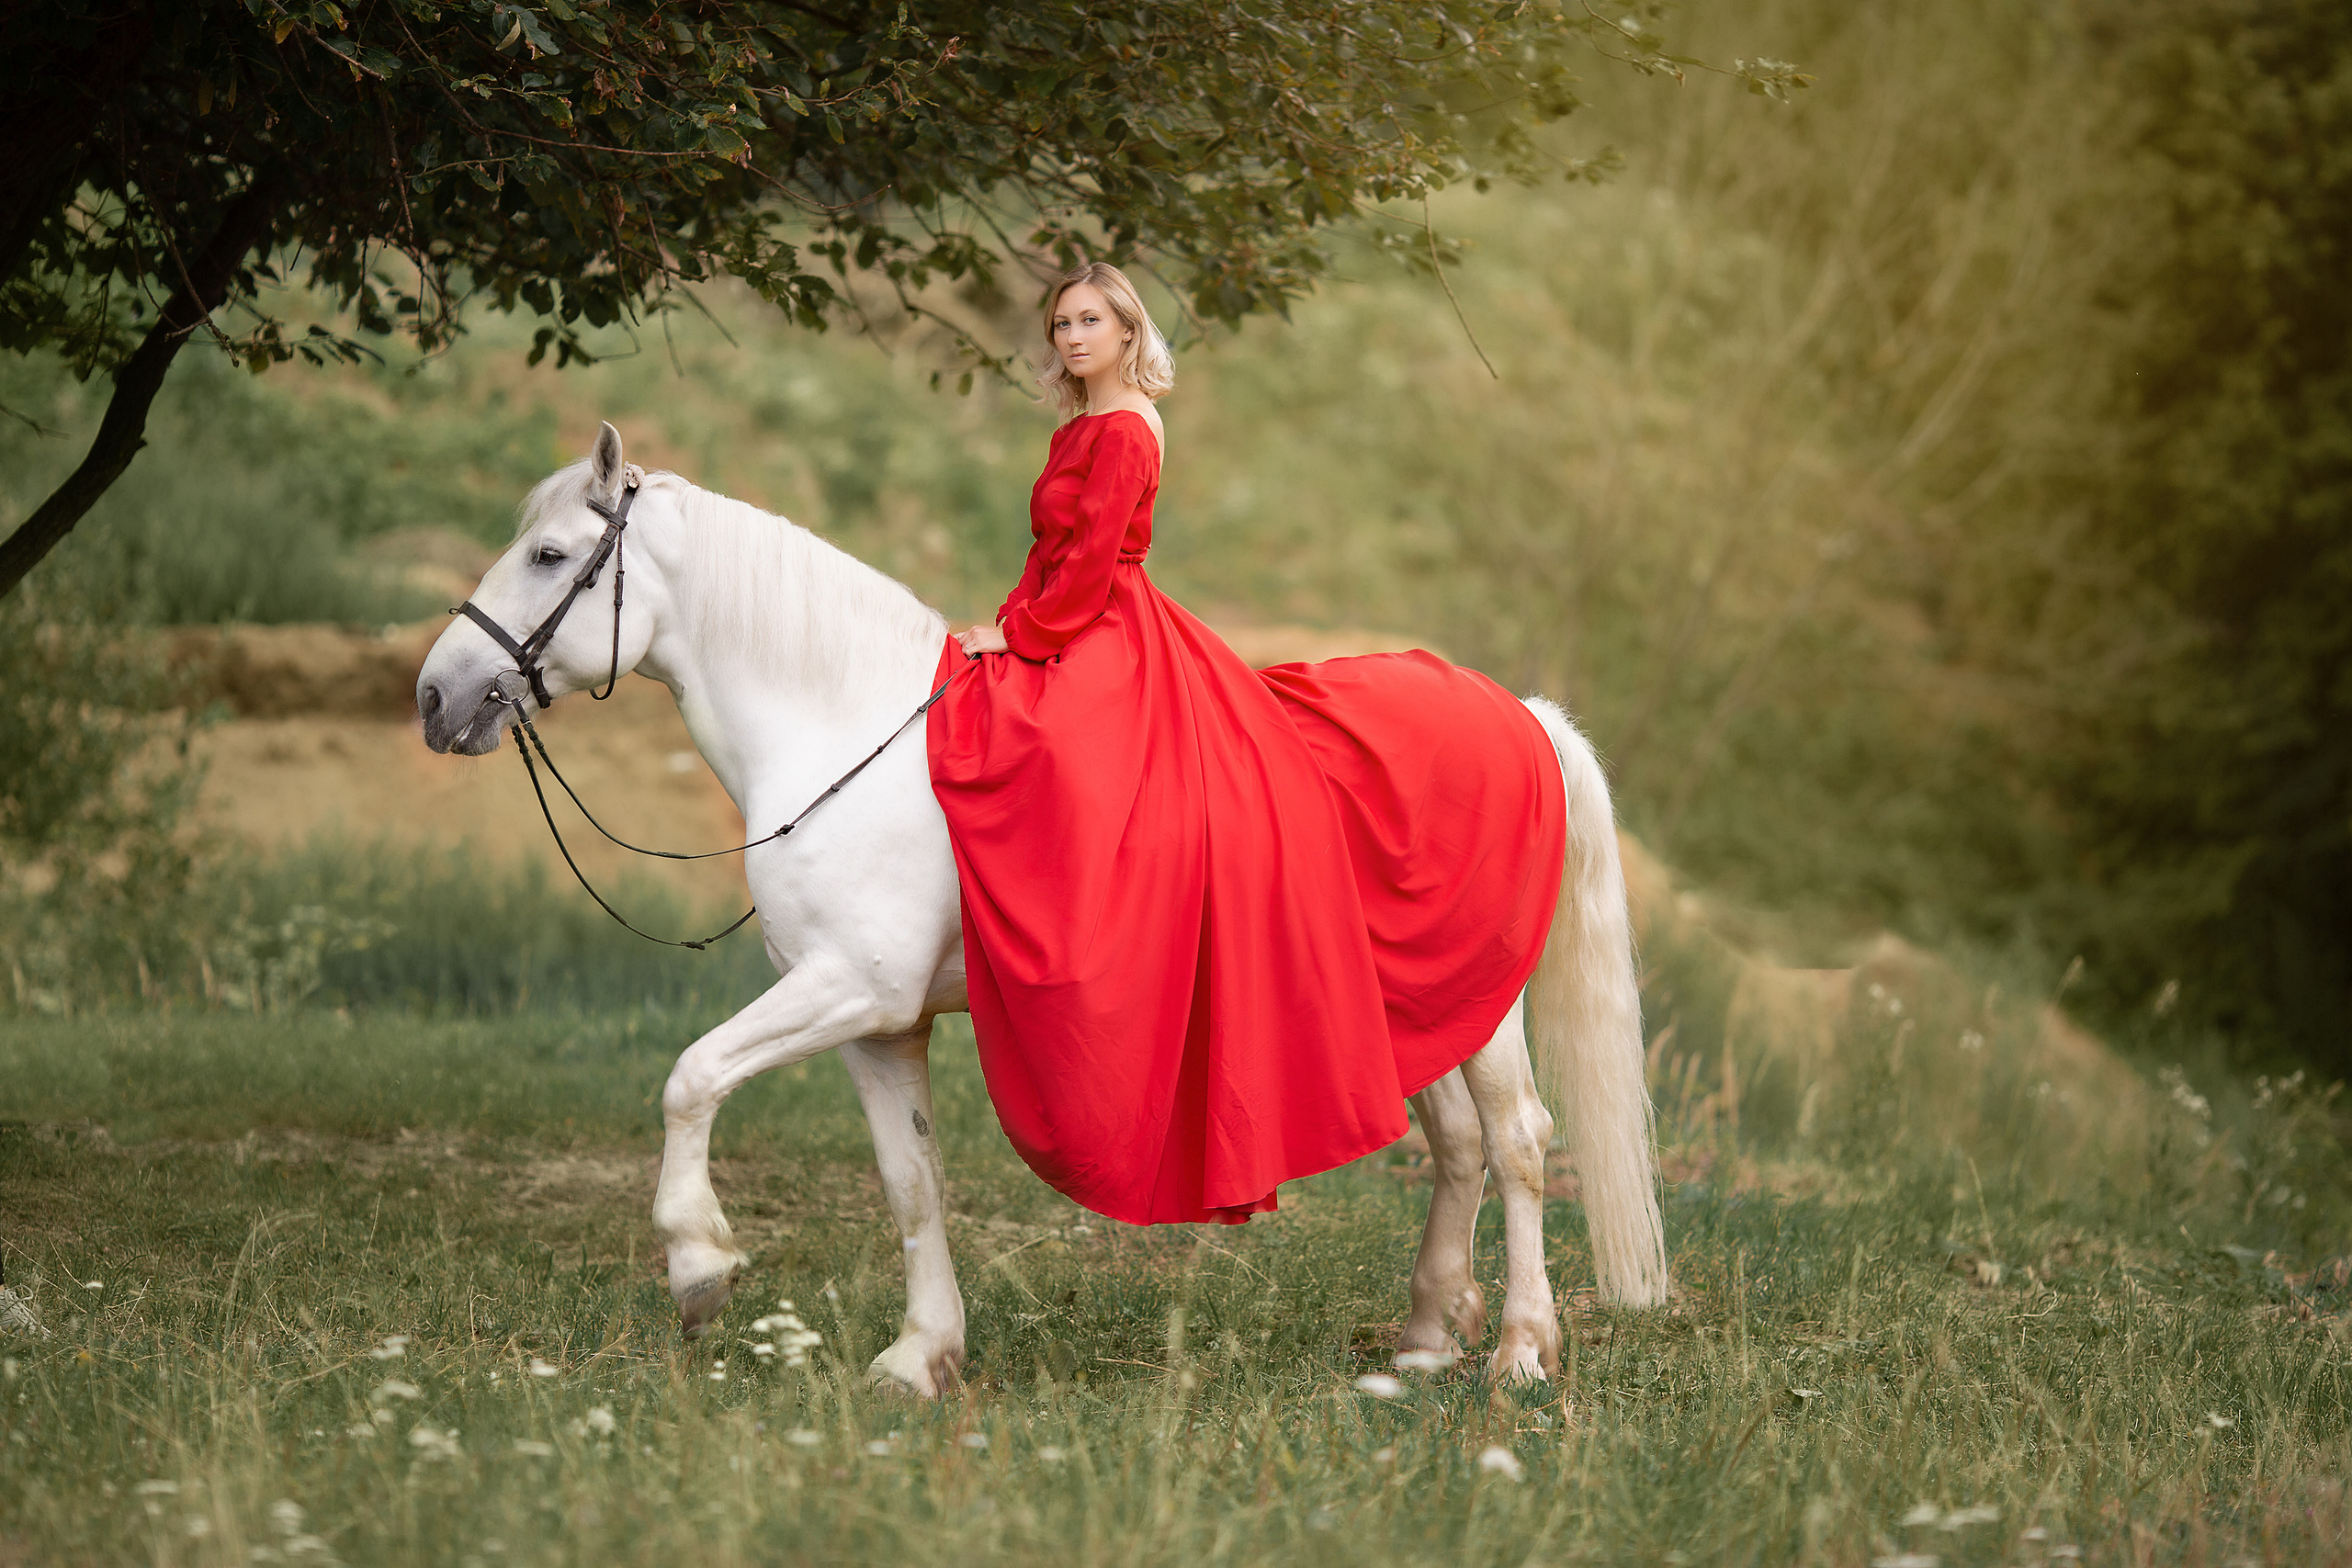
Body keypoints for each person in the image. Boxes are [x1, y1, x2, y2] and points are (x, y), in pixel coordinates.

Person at [925, 263, 1565, 1225]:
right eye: (1061, 324)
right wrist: (1008, 621)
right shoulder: (1074, 428)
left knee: (1074, 765)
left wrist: (1025, 635)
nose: (1072, 337)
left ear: (1128, 330)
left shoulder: (1128, 426)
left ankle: (1105, 942)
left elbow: (1092, 564)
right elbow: (1047, 554)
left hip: (1108, 623)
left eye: (1091, 320)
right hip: (1069, 615)